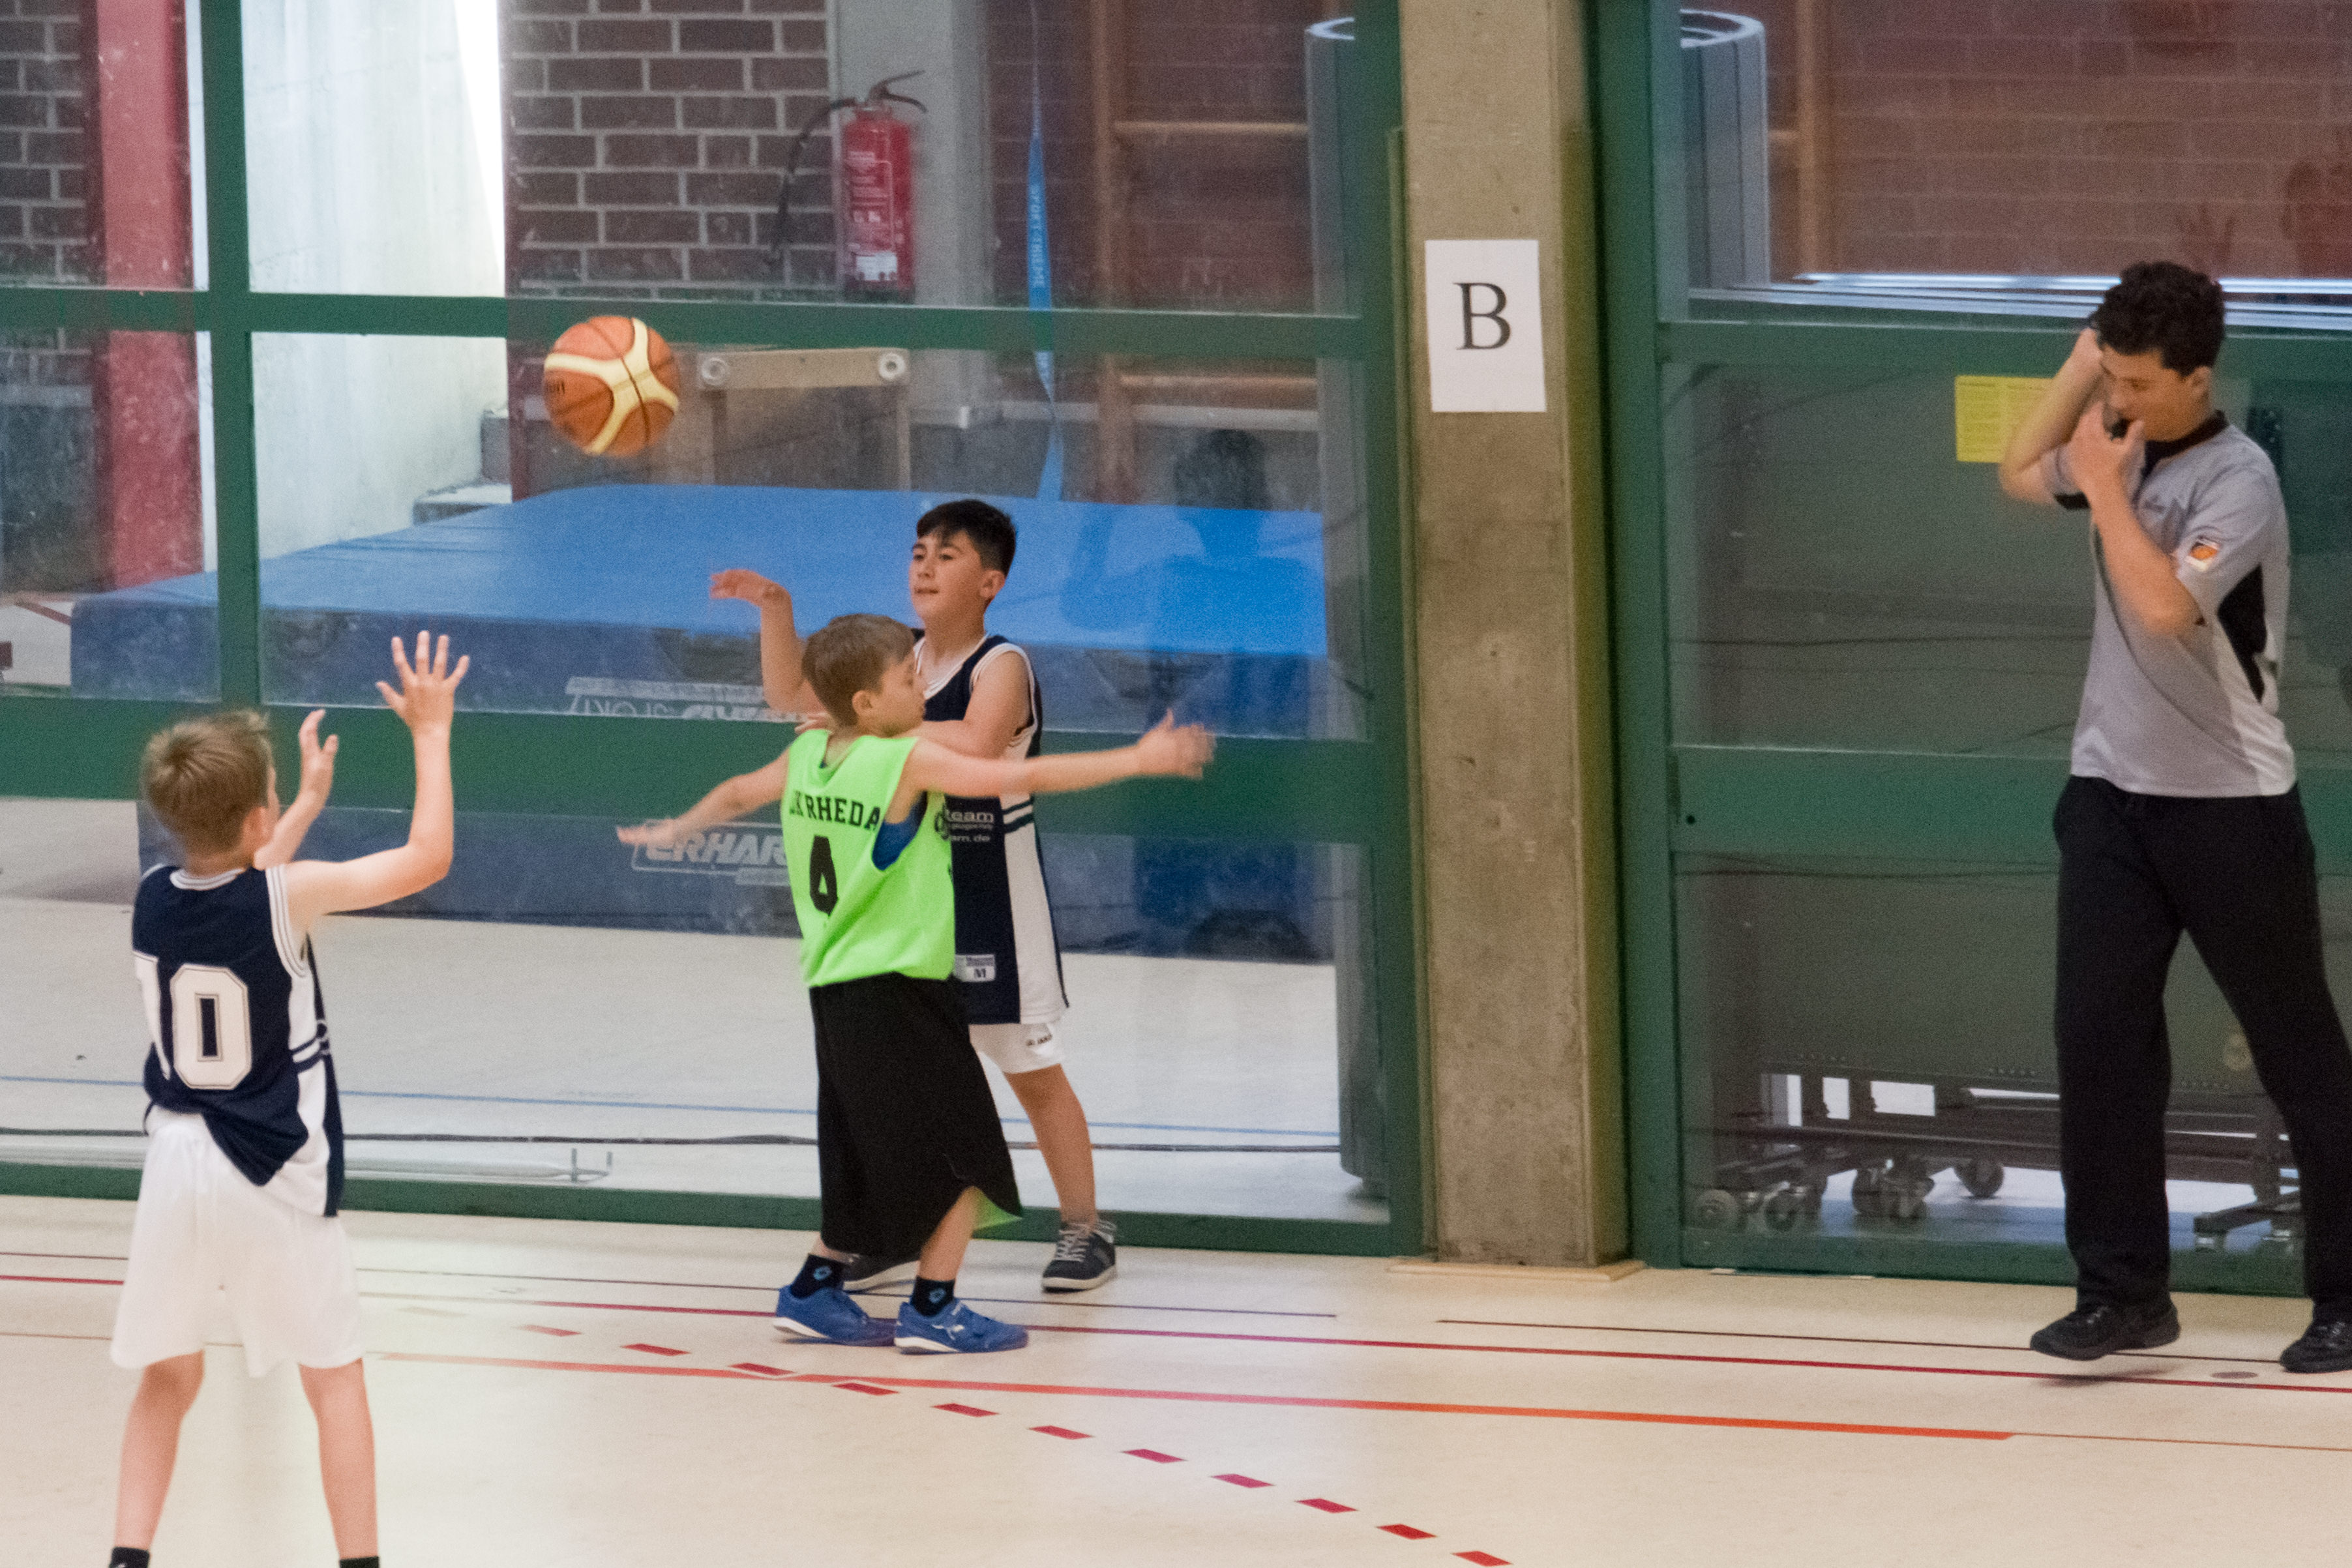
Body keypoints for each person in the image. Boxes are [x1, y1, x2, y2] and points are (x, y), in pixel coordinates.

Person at [619, 614, 1211, 1353]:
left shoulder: (807, 753)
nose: (923, 688)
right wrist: (1138, 759)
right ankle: (933, 1308)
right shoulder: (902, 760)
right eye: (909, 679)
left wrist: (680, 827)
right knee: (969, 1160)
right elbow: (1019, 777)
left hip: (833, 989)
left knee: (862, 1154)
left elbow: (740, 791)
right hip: (899, 989)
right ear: (866, 703)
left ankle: (812, 1291)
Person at [1999, 261, 2352, 1373]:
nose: (2120, 402)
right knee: (2097, 1044)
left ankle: (2345, 1297)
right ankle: (2121, 1296)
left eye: (2138, 384)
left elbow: (2159, 609)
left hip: (2229, 810)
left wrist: (2107, 489)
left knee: (2299, 1055)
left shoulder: (2238, 480)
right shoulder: (2118, 432)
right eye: (2113, 378)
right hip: (2109, 799)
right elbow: (2015, 469)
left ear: (2198, 377)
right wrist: (2079, 367)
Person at [108, 633, 469, 1568]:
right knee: (333, 1379)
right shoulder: (290, 896)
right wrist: (431, 733)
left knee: (167, 1377)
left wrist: (301, 802)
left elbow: (241, 875)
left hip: (175, 1161)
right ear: (257, 813)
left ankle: (125, 1557)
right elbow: (427, 856)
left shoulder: (151, 897)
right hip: (270, 1167)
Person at [710, 498, 1120, 1292]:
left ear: (990, 582)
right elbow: (792, 696)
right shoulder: (896, 655)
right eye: (918, 552)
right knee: (899, 1085)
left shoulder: (1001, 663)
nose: (925, 565)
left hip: (992, 893)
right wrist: (775, 609)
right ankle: (897, 1228)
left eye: (947, 554)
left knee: (1031, 1069)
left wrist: (861, 727)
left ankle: (1085, 1226)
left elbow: (974, 740)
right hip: (910, 901)